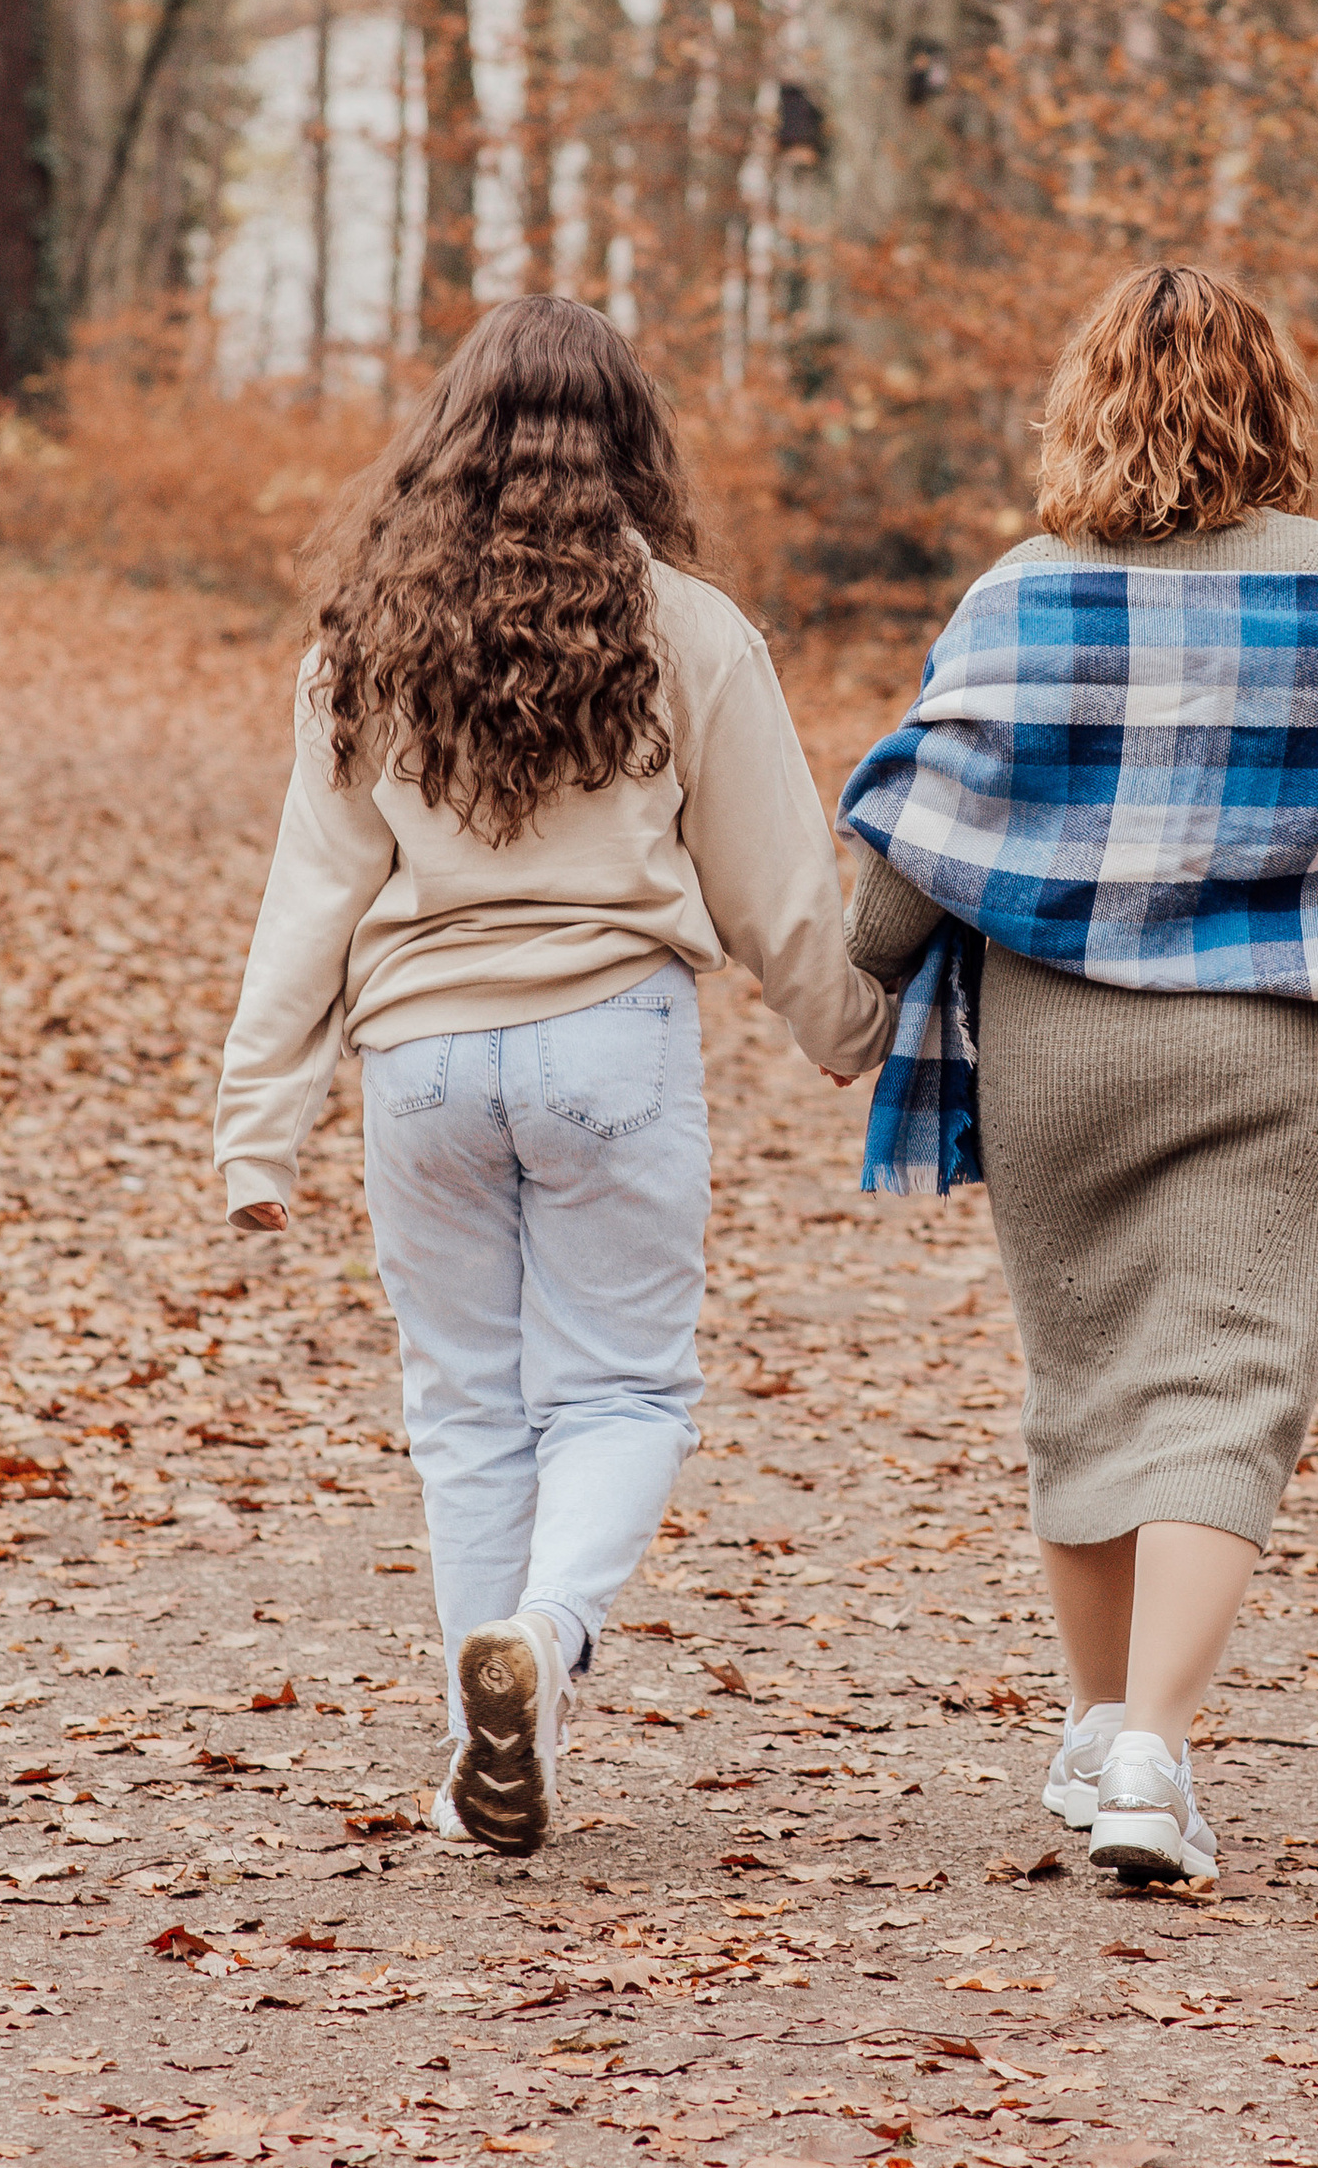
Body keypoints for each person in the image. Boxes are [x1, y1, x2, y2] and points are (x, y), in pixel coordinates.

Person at [839, 264, 1318, 1889]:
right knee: (1226, 1387)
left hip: (1060, 1048)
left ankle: (1095, 1729)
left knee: (1086, 1378)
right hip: (1280, 1043)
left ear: (1082, 408)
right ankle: (1153, 1747)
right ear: (1274, 404)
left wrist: (858, 966)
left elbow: (903, 872)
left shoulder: (1021, 593)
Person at [215, 295, 891, 1855]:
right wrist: (854, 1034)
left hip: (420, 1064)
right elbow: (780, 887)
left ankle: (481, 1756)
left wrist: (260, 1136)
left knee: (464, 1412)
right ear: (628, 444)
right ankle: (550, 1635)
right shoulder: (693, 630)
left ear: (448, 441)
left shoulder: (364, 639)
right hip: (609, 1043)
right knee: (625, 1390)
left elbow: (311, 893)